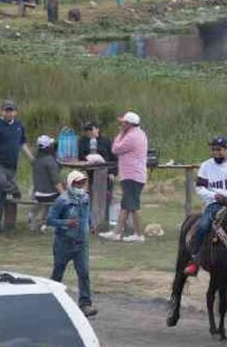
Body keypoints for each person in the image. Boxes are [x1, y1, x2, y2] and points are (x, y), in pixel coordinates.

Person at [184, 137, 227, 277]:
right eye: (213, 150)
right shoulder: (206, 166)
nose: (216, 153)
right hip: (215, 204)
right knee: (202, 226)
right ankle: (194, 260)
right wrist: (214, 196)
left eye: (219, 150)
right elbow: (200, 188)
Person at [47, 170, 98, 317]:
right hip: (64, 243)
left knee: (84, 273)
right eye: (77, 183)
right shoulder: (62, 201)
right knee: (58, 272)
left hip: (81, 243)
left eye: (82, 182)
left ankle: (85, 304)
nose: (80, 185)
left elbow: (87, 214)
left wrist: (91, 224)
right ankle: (52, 300)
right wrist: (66, 223)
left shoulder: (85, 198)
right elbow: (50, 220)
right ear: (70, 184)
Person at [0, 100, 34, 234]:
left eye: (11, 111)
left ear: (15, 112)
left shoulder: (19, 126)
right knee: (1, 183)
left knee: (0, 194)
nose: (9, 113)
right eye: (6, 110)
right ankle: (15, 190)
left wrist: (32, 160)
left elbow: (22, 144)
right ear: (1, 111)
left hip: (11, 166)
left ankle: (0, 225)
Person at [99, 111, 148, 243]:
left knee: (133, 206)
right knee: (126, 205)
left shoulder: (131, 137)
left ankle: (138, 234)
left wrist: (120, 134)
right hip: (133, 175)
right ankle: (117, 232)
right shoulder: (139, 133)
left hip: (132, 175)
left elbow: (115, 149)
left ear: (129, 124)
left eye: (123, 123)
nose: (121, 125)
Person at [30, 134, 64, 231]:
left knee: (47, 201)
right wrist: (64, 194)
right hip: (48, 195)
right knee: (60, 198)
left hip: (37, 194)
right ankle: (49, 223)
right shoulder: (50, 161)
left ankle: (41, 220)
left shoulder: (36, 160)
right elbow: (56, 180)